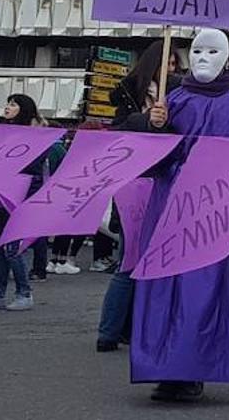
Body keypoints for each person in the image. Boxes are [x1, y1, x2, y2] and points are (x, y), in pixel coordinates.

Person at [129, 28, 229, 403]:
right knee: (163, 287)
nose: (204, 57)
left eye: (213, 50)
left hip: (214, 207)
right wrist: (157, 126)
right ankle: (162, 366)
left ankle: (189, 369)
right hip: (169, 205)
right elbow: (156, 157)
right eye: (198, 50)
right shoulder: (173, 99)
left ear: (227, 57)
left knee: (201, 289)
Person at [95, 44, 180, 353]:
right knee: (129, 259)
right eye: (167, 62)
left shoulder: (178, 96)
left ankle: (129, 328)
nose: (172, 68)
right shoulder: (128, 95)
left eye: (175, 63)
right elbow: (118, 132)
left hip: (162, 179)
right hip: (135, 182)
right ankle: (109, 331)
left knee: (149, 259)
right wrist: (149, 122)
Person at [0, 94, 63, 311]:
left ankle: (24, 293)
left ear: (24, 109)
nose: (7, 107)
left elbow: (33, 168)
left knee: (12, 246)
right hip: (1, 195)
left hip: (22, 195)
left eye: (13, 104)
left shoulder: (36, 135)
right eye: (8, 103)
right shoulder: (4, 131)